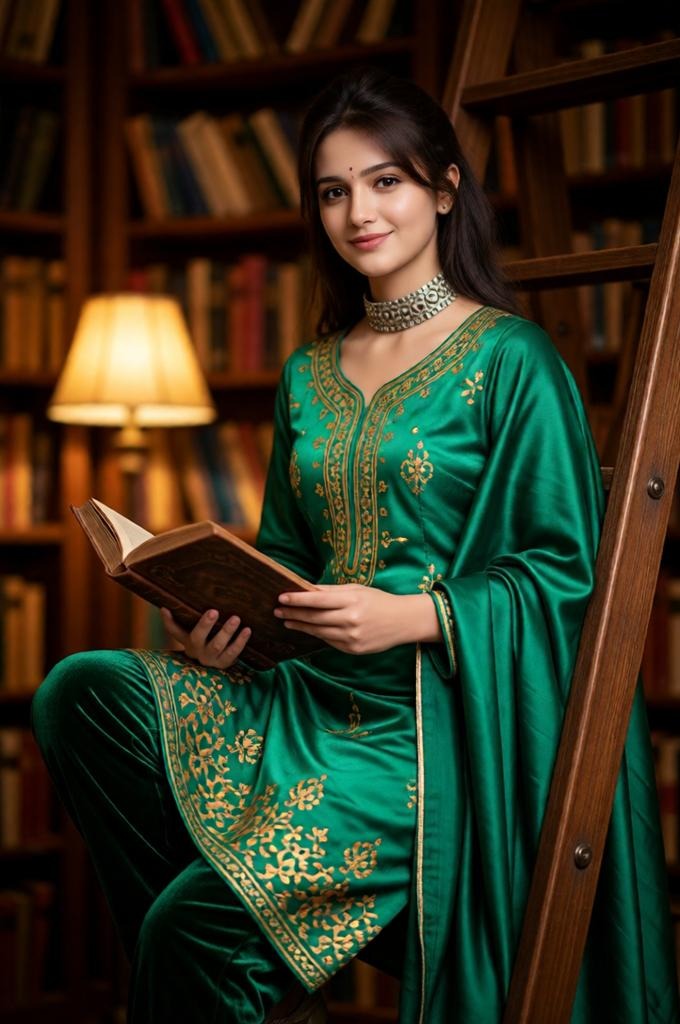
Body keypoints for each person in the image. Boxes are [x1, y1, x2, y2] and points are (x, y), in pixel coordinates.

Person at [31, 65, 678, 1024]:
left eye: (386, 181)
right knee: (79, 691)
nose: (358, 211)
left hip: (426, 735)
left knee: (190, 933)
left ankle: (221, 948)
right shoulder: (307, 372)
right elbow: (283, 560)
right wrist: (224, 626)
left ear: (444, 188)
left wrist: (413, 613)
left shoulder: (513, 362)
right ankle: (240, 943)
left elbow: (565, 578)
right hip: (300, 698)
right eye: (333, 190)